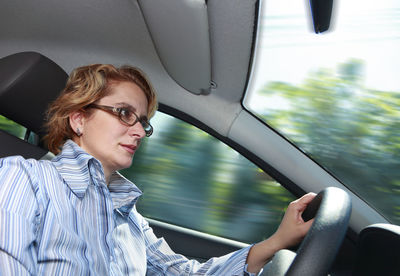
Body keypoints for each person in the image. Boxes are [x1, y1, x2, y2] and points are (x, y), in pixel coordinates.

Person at [0, 64, 316, 275]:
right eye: (123, 113)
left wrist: (276, 242)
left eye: (143, 122)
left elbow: (183, 273)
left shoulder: (127, 215)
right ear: (78, 119)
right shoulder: (22, 179)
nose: (138, 132)